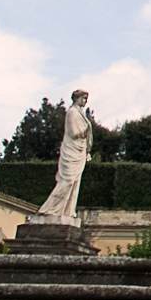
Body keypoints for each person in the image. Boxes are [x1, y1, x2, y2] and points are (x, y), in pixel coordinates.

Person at [35, 89, 93, 223]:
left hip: (79, 151)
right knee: (67, 181)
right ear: (77, 98)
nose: (85, 101)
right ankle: (49, 209)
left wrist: (87, 149)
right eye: (83, 98)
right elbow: (73, 132)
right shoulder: (72, 112)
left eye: (86, 99)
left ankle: (68, 211)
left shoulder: (80, 113)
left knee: (75, 182)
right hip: (71, 151)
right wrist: (86, 130)